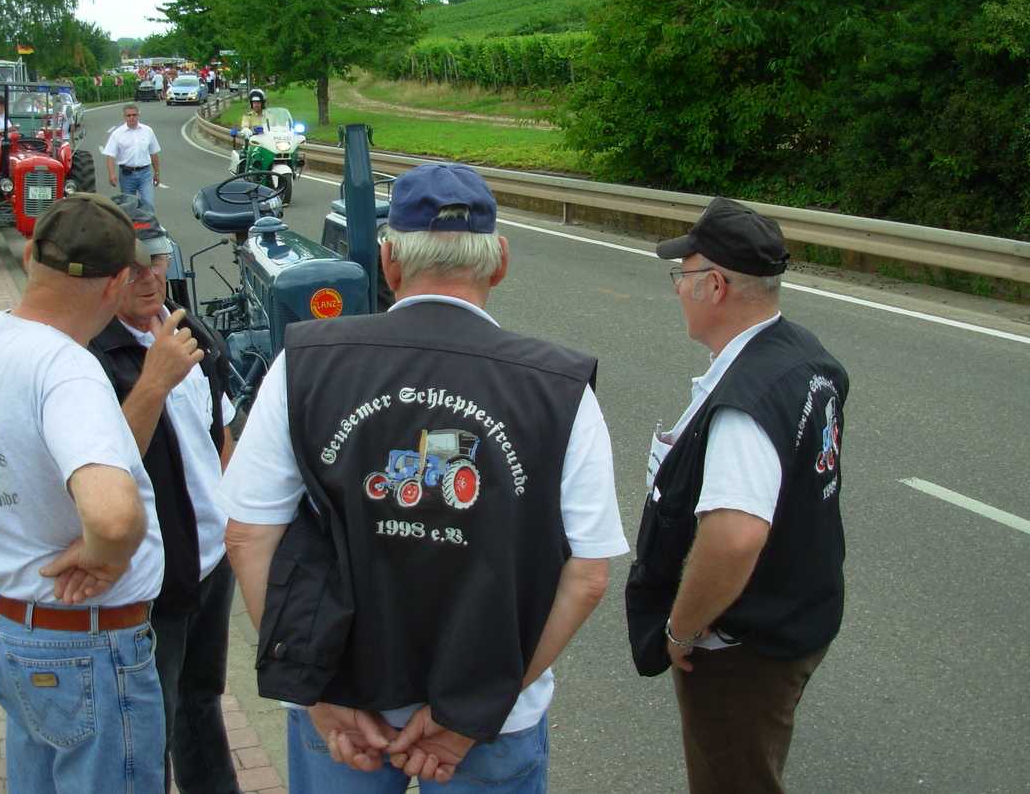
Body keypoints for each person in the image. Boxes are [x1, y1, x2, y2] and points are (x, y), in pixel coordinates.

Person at [221, 163, 627, 793]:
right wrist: (473, 712)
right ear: (499, 262)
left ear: (388, 263)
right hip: (491, 720)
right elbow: (589, 576)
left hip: (342, 703)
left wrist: (314, 693)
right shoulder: (561, 387)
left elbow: (248, 536)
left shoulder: (302, 361)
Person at [0, 192, 168, 793]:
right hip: (89, 644)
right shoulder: (68, 371)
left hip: (10, 631)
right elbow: (114, 518)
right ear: (116, 284)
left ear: (29, 254)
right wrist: (103, 555)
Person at [625, 196, 849, 794]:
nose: (678, 289)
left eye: (682, 275)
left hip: (739, 650)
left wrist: (680, 629)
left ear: (716, 286)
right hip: (798, 616)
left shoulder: (743, 405)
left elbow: (736, 537)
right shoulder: (805, 355)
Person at [88, 196, 244, 794]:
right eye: (131, 267)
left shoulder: (188, 329)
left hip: (211, 561)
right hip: (154, 575)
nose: (149, 276)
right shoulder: (90, 355)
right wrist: (153, 382)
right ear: (105, 277)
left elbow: (220, 435)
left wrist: (234, 526)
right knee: (148, 721)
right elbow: (105, 466)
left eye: (155, 258)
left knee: (201, 698)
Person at [103, 105, 162, 212]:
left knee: (148, 202)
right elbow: (111, 155)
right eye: (129, 115)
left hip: (144, 174)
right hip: (127, 175)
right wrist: (111, 174)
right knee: (128, 205)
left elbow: (154, 152)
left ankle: (149, 222)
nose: (132, 118)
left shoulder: (147, 131)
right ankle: (130, 223)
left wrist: (157, 173)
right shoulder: (117, 134)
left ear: (138, 115)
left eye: (134, 115)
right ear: (124, 117)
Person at [230, 89, 269, 173]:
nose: (256, 105)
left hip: (268, 143)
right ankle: (251, 172)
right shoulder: (248, 117)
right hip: (253, 143)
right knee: (253, 155)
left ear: (262, 103)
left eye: (258, 103)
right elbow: (244, 126)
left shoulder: (269, 115)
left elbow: (276, 127)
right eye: (254, 103)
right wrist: (246, 130)